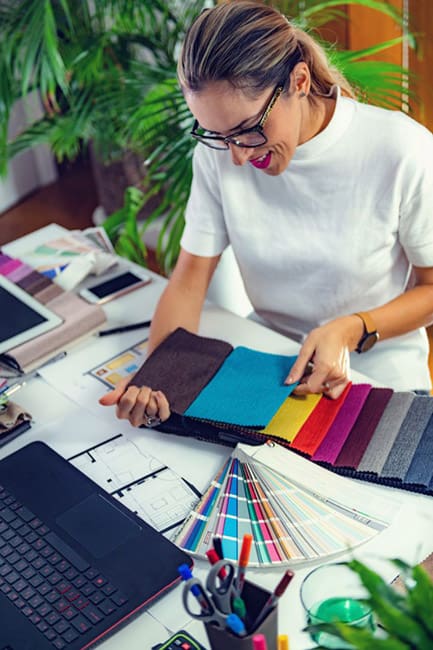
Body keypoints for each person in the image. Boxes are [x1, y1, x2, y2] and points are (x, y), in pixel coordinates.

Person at [100, 0, 433, 429]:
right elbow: (188, 280)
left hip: (378, 364)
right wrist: (158, 377)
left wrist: (351, 329)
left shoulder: (400, 149)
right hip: (268, 360)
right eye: (219, 136)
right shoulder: (218, 153)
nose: (237, 156)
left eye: (249, 130)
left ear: (299, 81)